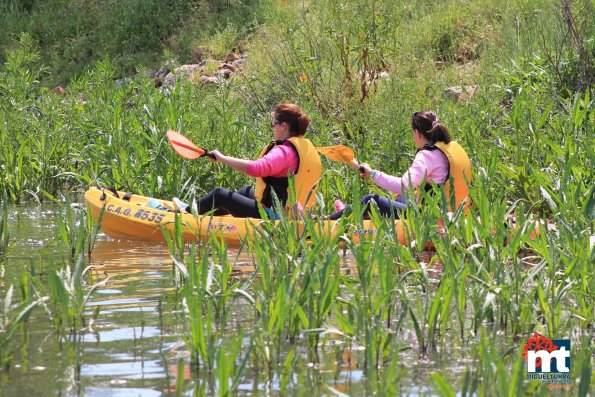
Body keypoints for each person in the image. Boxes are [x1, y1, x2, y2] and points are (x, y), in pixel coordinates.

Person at [174, 103, 322, 218]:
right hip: (293, 211)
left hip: (278, 216)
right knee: (245, 191)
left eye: (274, 124)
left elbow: (256, 168)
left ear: (283, 126)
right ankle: (200, 214)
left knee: (220, 195)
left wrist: (223, 158)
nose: (272, 128)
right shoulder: (304, 147)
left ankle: (182, 215)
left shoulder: (284, 151)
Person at [327, 110, 472, 220]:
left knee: (370, 200)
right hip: (455, 215)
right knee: (402, 198)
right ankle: (346, 212)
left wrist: (372, 173)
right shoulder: (447, 149)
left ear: (417, 133)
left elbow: (404, 185)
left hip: (430, 219)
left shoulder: (426, 155)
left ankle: (326, 222)